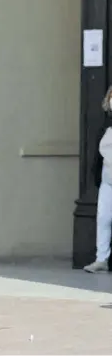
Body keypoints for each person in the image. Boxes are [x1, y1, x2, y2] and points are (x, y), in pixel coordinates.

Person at [85, 86, 112, 273]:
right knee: (103, 217)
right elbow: (98, 154)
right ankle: (101, 259)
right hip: (107, 179)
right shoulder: (105, 124)